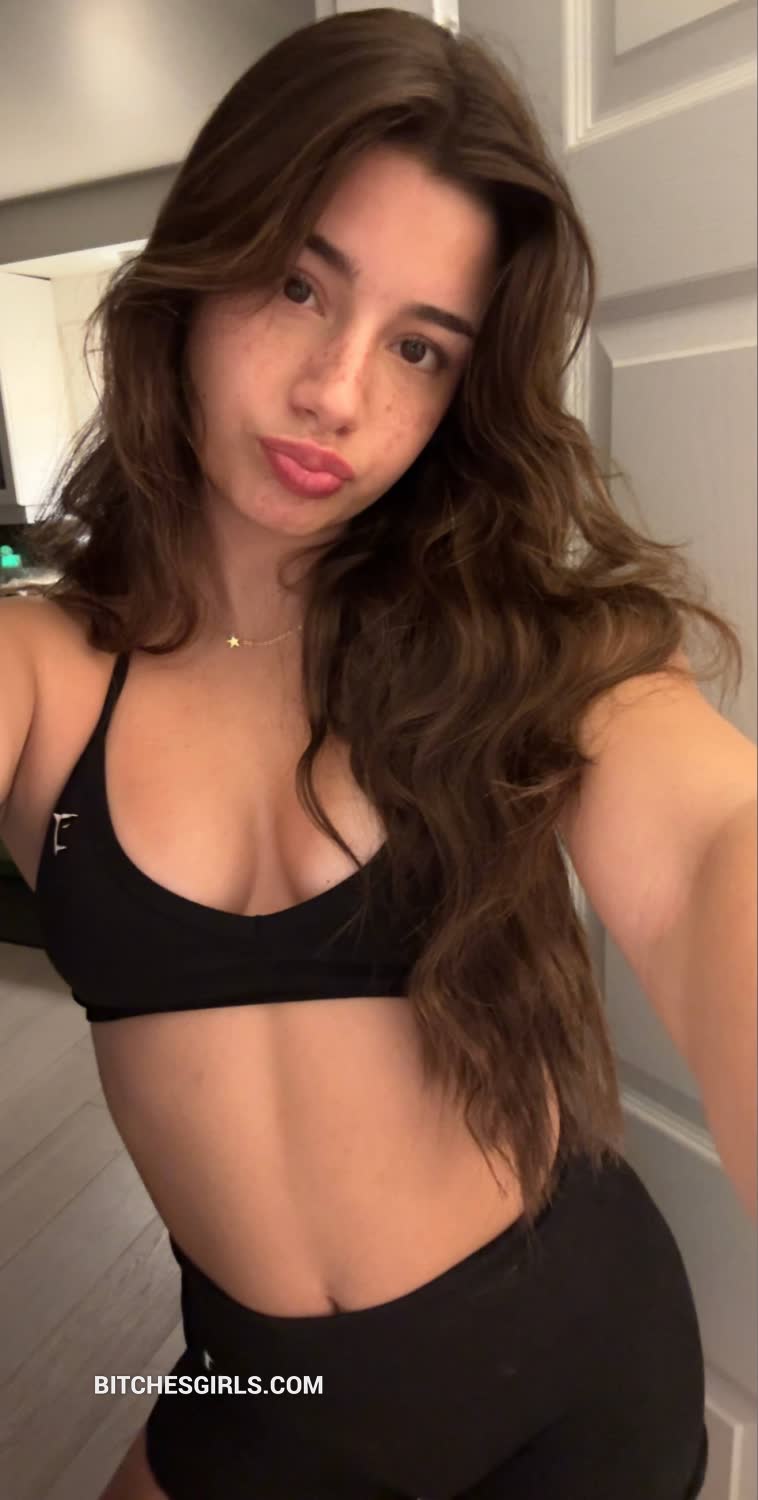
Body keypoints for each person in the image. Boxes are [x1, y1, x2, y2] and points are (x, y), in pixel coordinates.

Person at [5, 8, 742, 1497]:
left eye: (418, 347)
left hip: (579, 1370)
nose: (337, 393)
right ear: (197, 271)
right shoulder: (39, 665)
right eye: (297, 285)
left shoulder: (519, 646)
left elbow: (713, 848)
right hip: (262, 1391)